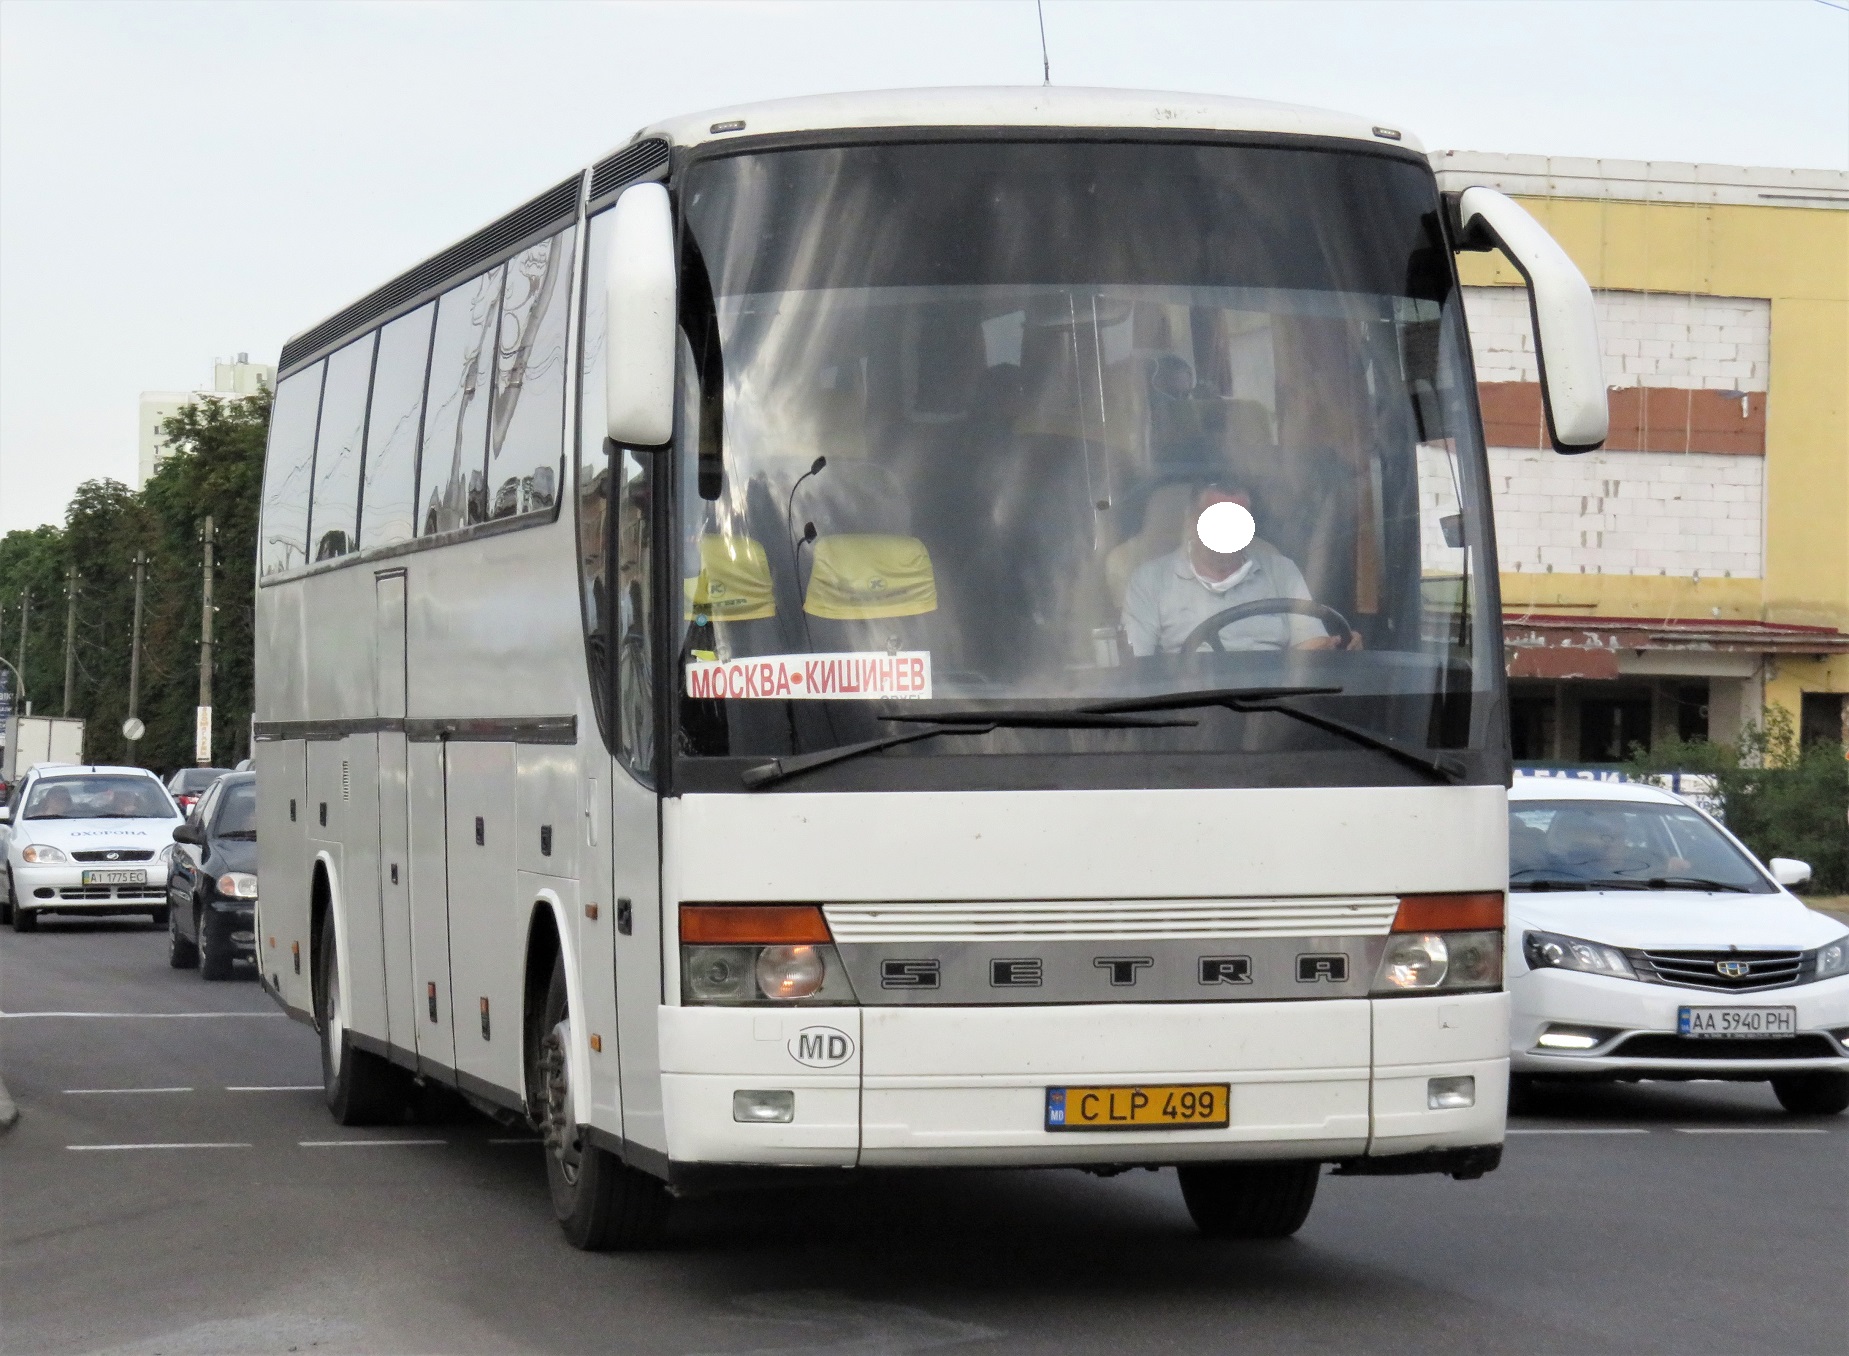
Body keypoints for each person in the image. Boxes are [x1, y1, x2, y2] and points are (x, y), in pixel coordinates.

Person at [1120, 481, 1358, 657]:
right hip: (1190, 701)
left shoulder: (1282, 571)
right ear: (1191, 522)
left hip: (1277, 701)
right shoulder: (1149, 581)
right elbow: (1137, 666)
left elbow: (1314, 649)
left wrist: (1339, 648)